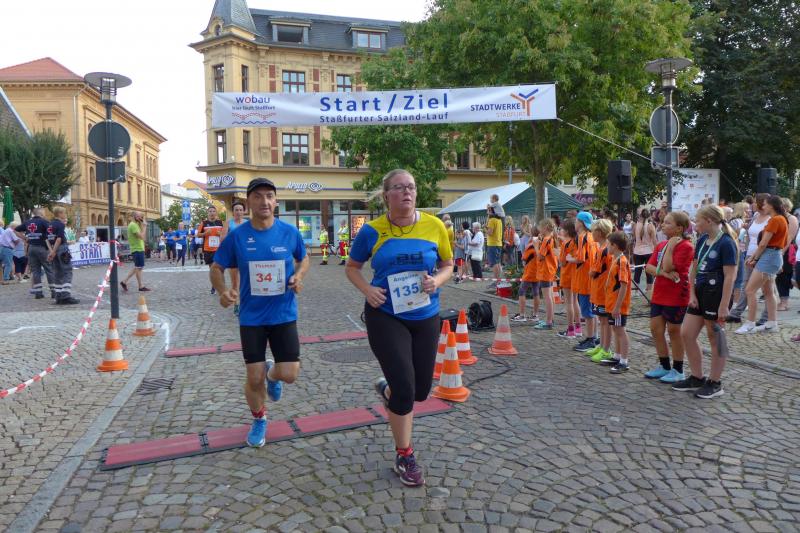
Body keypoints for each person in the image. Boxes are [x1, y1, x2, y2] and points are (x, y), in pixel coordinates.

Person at [345, 169, 453, 487]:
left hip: (425, 314)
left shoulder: (434, 226)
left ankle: (389, 391)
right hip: (385, 314)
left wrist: (438, 281)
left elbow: (448, 264)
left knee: (420, 391)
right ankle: (405, 455)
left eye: (411, 187)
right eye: (399, 187)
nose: (407, 192)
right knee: (406, 389)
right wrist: (367, 289)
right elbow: (352, 268)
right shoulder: (372, 231)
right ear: (386, 195)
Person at [210, 177, 310, 448]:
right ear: (248, 202)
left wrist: (299, 276)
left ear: (275, 201)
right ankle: (259, 418)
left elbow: (303, 258)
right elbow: (216, 267)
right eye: (257, 196)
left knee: (289, 374)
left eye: (269, 196)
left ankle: (272, 374)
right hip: (252, 317)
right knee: (253, 378)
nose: (264, 201)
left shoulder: (289, 232)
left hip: (283, 313)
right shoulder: (237, 236)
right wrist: (222, 291)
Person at [675, 205, 738, 399]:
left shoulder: (726, 243)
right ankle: (697, 377)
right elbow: (693, 269)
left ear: (709, 221)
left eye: (698, 220)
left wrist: (724, 305)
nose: (695, 223)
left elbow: (730, 276)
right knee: (686, 333)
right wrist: (692, 294)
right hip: (700, 293)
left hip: (716, 295)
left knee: (716, 338)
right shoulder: (702, 240)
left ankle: (715, 382)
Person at [642, 212, 694, 383]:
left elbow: (669, 266)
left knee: (673, 331)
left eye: (667, 223)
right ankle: (664, 365)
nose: (663, 225)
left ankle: (678, 369)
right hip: (660, 294)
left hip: (677, 295)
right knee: (655, 329)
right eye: (663, 222)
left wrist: (671, 248)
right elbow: (648, 267)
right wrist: (664, 273)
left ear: (679, 228)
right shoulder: (661, 244)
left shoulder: (686, 246)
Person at [736, 195, 789, 334]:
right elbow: (765, 244)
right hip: (772, 256)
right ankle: (771, 323)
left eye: (765, 204)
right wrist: (754, 257)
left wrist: (754, 258)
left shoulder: (775, 219)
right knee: (768, 292)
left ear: (771, 205)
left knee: (750, 290)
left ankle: (750, 324)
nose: (763, 206)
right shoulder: (780, 219)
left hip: (769, 257)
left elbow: (763, 243)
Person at [727, 194, 771, 323]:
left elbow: (766, 241)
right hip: (750, 253)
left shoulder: (771, 219)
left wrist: (755, 257)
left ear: (762, 203)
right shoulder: (756, 216)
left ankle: (766, 317)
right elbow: (749, 234)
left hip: (763, 255)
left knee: (767, 288)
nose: (752, 205)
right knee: (745, 284)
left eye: (755, 202)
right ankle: (736, 313)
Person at [586, 219, 614, 363]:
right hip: (599, 289)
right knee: (602, 320)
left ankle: (606, 349)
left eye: (593, 231)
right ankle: (602, 346)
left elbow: (594, 270)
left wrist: (590, 272)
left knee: (605, 321)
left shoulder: (603, 250)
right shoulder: (602, 248)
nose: (591, 233)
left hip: (603, 290)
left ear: (600, 232)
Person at [603, 232, 632, 373]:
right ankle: (617, 356)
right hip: (611, 303)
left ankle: (624, 361)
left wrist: (617, 306)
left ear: (614, 246)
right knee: (616, 329)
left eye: (608, 244)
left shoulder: (622, 262)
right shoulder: (616, 259)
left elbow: (623, 285)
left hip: (617, 305)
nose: (607, 247)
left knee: (620, 330)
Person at [570, 212, 598, 352]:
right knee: (591, 310)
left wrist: (570, 259)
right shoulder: (591, 236)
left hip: (584, 278)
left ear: (581, 223)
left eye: (576, 221)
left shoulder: (582, 237)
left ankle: (590, 339)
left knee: (587, 312)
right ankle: (594, 337)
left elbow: (581, 258)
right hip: (589, 277)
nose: (575, 223)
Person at [15, 208, 55, 299]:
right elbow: (51, 233)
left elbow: (16, 230)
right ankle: (53, 292)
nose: (45, 214)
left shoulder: (27, 222)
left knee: (35, 271)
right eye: (44, 213)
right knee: (49, 269)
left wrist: (25, 238)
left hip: (31, 248)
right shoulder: (44, 222)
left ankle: (38, 293)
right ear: (41, 213)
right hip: (42, 248)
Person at [46, 206, 79, 304]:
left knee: (57, 273)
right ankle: (65, 296)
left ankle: (58, 296)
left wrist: (51, 251)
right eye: (64, 213)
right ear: (60, 214)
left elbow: (46, 239)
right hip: (61, 249)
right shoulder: (60, 224)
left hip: (53, 248)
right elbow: (59, 239)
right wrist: (54, 251)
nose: (65, 215)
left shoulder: (49, 225)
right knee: (67, 271)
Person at [557, 218, 580, 338]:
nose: (560, 230)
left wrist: (559, 254)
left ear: (566, 231)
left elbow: (562, 262)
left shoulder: (565, 244)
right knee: (575, 301)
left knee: (569, 302)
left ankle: (570, 329)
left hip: (567, 275)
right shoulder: (577, 242)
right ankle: (578, 328)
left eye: (562, 229)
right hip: (576, 274)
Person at [533, 219, 558, 330]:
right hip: (550, 270)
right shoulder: (550, 238)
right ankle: (551, 319)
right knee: (550, 296)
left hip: (545, 270)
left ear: (545, 228)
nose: (539, 229)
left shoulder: (546, 240)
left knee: (547, 297)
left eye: (540, 227)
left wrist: (535, 245)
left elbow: (540, 256)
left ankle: (548, 322)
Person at [224, 199, 247, 315]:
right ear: (233, 212)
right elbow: (222, 239)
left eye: (240, 210)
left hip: (246, 256)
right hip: (233, 256)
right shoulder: (228, 223)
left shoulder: (248, 223)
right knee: (235, 282)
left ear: (244, 211)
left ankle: (246, 303)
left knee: (247, 281)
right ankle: (236, 304)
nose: (238, 212)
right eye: (236, 210)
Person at [120, 211, 151, 292]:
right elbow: (142, 237)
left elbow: (143, 237)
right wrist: (144, 227)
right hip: (137, 249)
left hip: (139, 248)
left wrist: (142, 225)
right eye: (140, 217)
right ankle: (140, 286)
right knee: (139, 268)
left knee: (137, 267)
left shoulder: (136, 224)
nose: (141, 218)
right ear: (135, 217)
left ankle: (124, 282)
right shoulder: (133, 225)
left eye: (142, 217)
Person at [513, 229, 539, 322]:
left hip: (530, 271)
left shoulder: (531, 244)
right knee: (536, 292)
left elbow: (524, 258)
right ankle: (535, 315)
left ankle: (522, 315)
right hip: (538, 271)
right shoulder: (540, 243)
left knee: (521, 291)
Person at [198, 206, 225, 293]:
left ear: (216, 213)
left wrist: (220, 234)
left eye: (213, 211)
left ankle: (219, 285)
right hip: (208, 249)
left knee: (218, 268)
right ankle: (214, 285)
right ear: (208, 213)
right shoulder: (204, 223)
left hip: (219, 249)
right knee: (212, 269)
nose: (212, 213)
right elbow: (198, 235)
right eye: (210, 211)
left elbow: (226, 234)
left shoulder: (221, 222)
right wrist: (205, 233)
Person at [728, 202, 749, 306]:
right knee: (739, 278)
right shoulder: (737, 221)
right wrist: (743, 229)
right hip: (737, 250)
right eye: (746, 209)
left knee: (738, 277)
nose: (749, 211)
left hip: (741, 250)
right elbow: (736, 236)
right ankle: (736, 303)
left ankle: (734, 301)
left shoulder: (738, 221)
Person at [632, 208, 657, 294]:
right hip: (649, 251)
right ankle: (648, 291)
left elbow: (634, 238)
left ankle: (636, 292)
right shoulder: (650, 226)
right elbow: (654, 241)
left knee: (637, 272)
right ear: (649, 216)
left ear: (640, 216)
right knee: (649, 272)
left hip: (637, 252)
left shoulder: (635, 225)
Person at [485, 206, 503, 289]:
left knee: (494, 263)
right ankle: (498, 280)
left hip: (492, 244)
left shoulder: (492, 220)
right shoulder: (499, 220)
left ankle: (496, 281)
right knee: (498, 263)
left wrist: (484, 229)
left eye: (488, 210)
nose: (487, 212)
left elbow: (490, 232)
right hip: (498, 243)